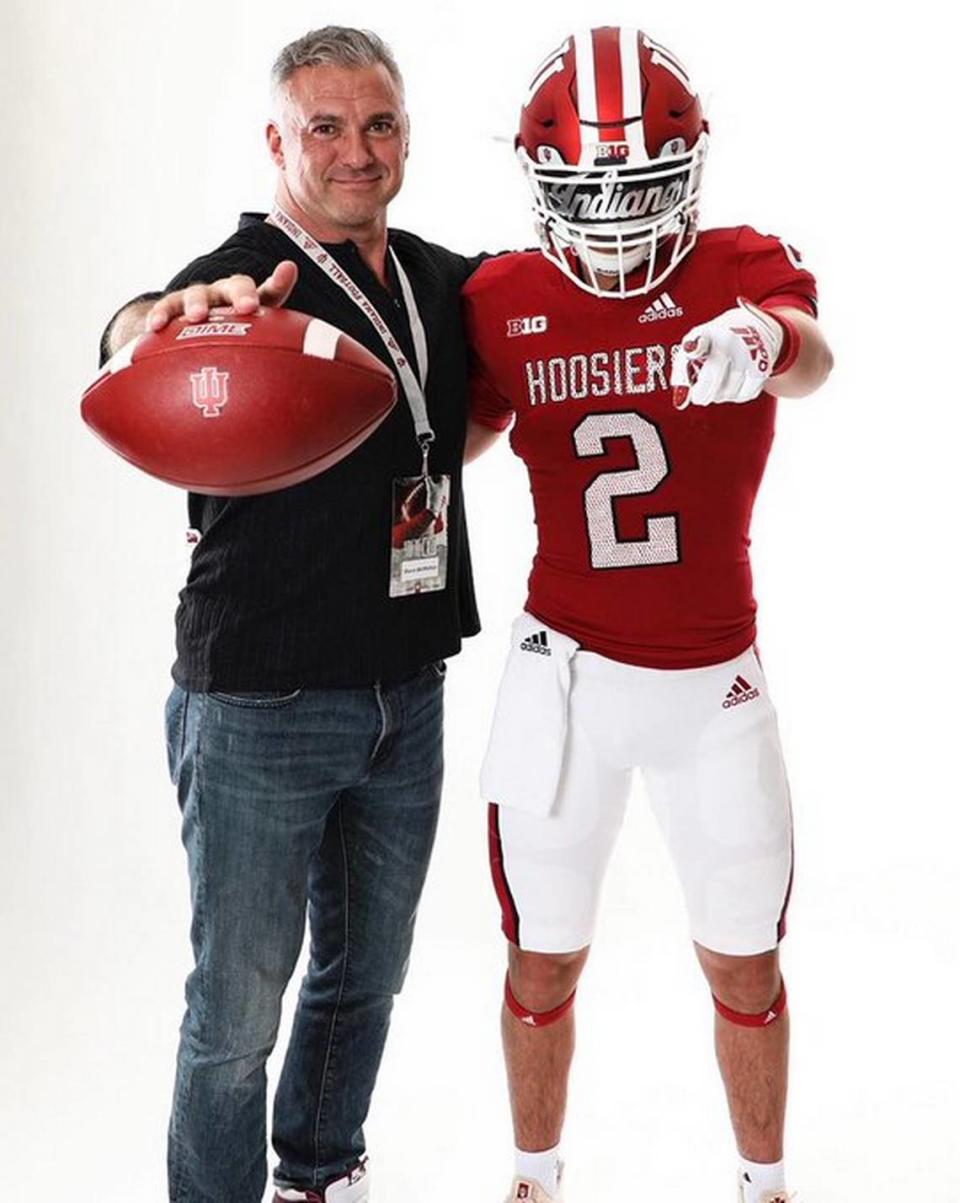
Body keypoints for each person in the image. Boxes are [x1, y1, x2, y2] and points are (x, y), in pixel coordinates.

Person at [102, 26, 483, 1203]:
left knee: (368, 973)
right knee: (236, 1007)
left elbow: (471, 414)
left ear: (407, 135)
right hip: (260, 699)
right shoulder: (241, 277)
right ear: (278, 139)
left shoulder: (434, 278)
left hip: (405, 686)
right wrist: (159, 320)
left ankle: (318, 1174)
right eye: (326, 126)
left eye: (379, 125)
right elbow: (133, 338)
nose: (357, 151)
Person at [462, 27, 834, 1203]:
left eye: (643, 182)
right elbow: (450, 436)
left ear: (695, 170)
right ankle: (533, 1179)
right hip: (564, 674)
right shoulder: (497, 296)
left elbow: (815, 356)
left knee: (745, 958)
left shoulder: (741, 265)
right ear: (539, 182)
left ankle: (763, 1184)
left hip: (715, 680)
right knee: (540, 951)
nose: (615, 213)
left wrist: (762, 335)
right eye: (587, 187)